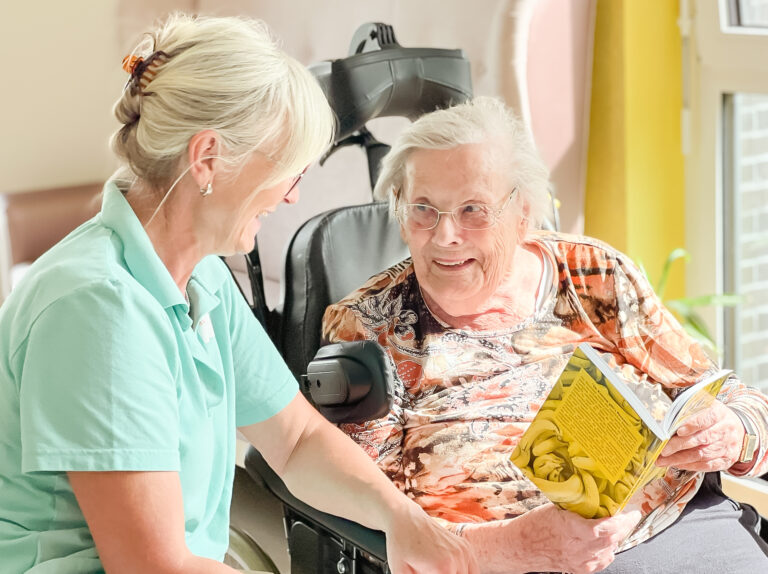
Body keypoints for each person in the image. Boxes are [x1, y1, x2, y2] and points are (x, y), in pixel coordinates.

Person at [0, 14, 479, 574]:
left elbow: (296, 440)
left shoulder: (200, 276)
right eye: (289, 172)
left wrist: (402, 519)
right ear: (208, 158)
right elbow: (154, 567)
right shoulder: (98, 309)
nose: (292, 196)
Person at [322, 96, 768, 574]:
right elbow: (368, 506)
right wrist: (519, 547)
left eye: (473, 209)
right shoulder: (369, 326)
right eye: (423, 209)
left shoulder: (593, 274)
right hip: (504, 562)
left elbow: (731, 397)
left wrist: (733, 432)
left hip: (676, 527)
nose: (445, 235)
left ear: (522, 213)